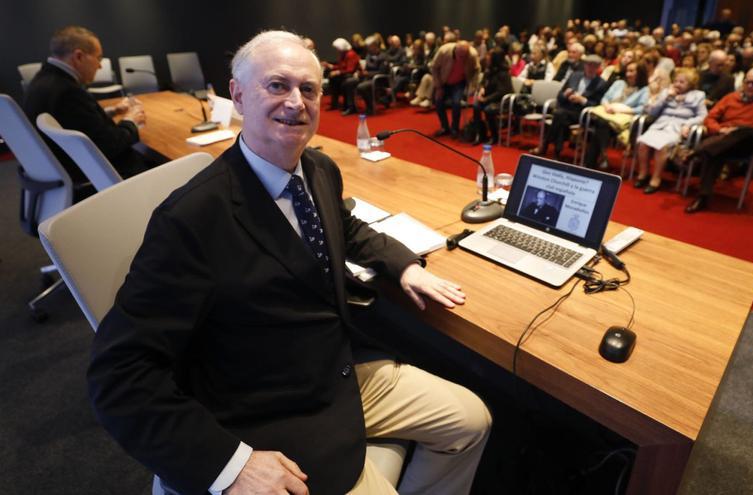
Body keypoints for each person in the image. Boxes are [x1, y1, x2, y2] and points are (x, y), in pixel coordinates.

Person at [87, 31, 491, 495]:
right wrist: (229, 465)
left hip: (335, 369)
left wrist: (405, 266)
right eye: (277, 86)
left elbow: (347, 227)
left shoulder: (317, 169)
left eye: (309, 89)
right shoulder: (192, 218)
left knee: (471, 421)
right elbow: (119, 373)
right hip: (268, 407)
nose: (296, 102)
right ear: (237, 95)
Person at [23, 25, 152, 184]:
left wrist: (112, 111)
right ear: (78, 57)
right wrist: (131, 121)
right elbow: (109, 146)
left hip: (62, 169)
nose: (99, 65)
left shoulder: (44, 80)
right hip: (104, 178)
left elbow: (77, 123)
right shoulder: (67, 91)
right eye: (98, 58)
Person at [685, 67, 753, 213]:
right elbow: (710, 118)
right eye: (747, 82)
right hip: (722, 139)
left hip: (746, 143)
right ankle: (703, 197)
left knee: (746, 132)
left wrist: (738, 130)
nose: (749, 86)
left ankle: (698, 151)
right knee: (714, 153)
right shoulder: (731, 97)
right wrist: (720, 129)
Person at [635, 67, 707, 194]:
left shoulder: (698, 96)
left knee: (662, 147)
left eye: (682, 82)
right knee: (643, 144)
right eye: (676, 81)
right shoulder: (666, 92)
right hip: (659, 126)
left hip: (678, 129)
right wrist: (666, 97)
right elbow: (652, 111)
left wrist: (688, 124)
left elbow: (702, 116)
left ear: (690, 84)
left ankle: (655, 179)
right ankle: (643, 174)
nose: (677, 84)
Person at [531, 54, 608, 160]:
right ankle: (556, 151)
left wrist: (582, 100)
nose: (591, 68)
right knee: (561, 118)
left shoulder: (601, 83)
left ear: (598, 68)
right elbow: (560, 95)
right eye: (589, 65)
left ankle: (545, 146)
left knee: (559, 115)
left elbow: (598, 105)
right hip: (567, 108)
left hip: (583, 112)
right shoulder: (575, 76)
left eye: (594, 66)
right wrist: (566, 95)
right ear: (584, 65)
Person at [583, 61, 649, 168]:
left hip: (621, 121)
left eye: (632, 71)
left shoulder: (644, 90)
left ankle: (591, 162)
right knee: (602, 125)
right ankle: (602, 156)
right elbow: (605, 98)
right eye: (627, 70)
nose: (628, 74)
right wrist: (607, 106)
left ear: (640, 73)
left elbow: (641, 109)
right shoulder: (619, 83)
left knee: (600, 126)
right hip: (606, 114)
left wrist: (619, 110)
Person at [431, 40, 480, 139]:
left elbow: (477, 70)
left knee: (456, 103)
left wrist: (473, 85)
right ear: (455, 50)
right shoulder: (444, 51)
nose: (462, 58)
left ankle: (455, 129)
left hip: (459, 82)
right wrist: (439, 86)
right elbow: (434, 67)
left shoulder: (472, 54)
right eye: (460, 55)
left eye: (464, 55)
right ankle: (445, 127)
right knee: (438, 102)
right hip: (443, 81)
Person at [472, 47, 513, 144]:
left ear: (495, 59)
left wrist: (486, 99)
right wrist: (481, 88)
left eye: (489, 56)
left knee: (488, 109)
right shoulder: (489, 70)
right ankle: (480, 133)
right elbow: (482, 82)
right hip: (489, 98)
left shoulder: (504, 73)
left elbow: (501, 92)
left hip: (502, 100)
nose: (487, 57)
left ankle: (494, 136)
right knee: (476, 106)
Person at [323, 37, 360, 111]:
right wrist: (331, 66)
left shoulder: (351, 54)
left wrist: (337, 72)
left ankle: (348, 106)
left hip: (351, 76)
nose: (337, 50)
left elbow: (350, 70)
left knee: (338, 80)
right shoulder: (344, 54)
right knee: (332, 79)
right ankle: (335, 103)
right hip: (345, 75)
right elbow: (341, 66)